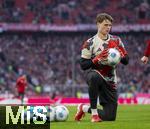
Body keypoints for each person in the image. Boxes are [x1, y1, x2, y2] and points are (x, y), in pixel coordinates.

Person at [74, 13, 129, 122]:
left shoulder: (116, 40)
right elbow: (83, 65)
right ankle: (94, 114)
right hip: (96, 75)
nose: (108, 27)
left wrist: (120, 54)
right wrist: (96, 59)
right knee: (93, 77)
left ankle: (83, 108)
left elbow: (126, 61)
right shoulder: (89, 43)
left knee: (110, 117)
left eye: (110, 25)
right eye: (105, 25)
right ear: (98, 24)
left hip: (110, 81)